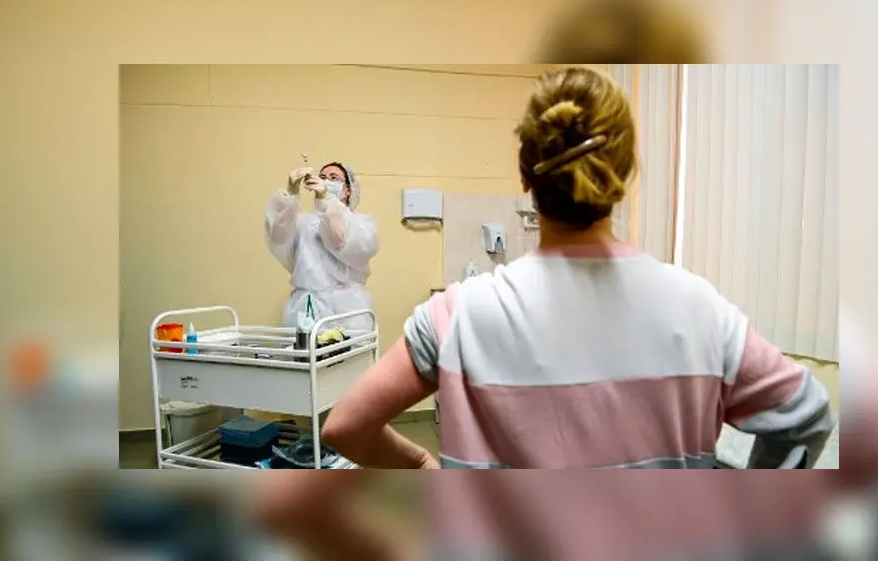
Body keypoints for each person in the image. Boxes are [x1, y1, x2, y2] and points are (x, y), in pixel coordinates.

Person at [317, 66, 836, 470]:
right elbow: (807, 416)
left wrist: (421, 461)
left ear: (525, 177)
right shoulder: (703, 312)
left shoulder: (455, 318)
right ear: (626, 173)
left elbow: (347, 426)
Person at [264, 161, 378, 333]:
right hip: (305, 308)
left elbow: (340, 241)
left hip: (347, 312)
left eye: (334, 178)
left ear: (348, 190)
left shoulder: (360, 224)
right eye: (323, 177)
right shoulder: (303, 223)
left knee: (347, 359)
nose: (326, 181)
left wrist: (326, 200)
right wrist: (291, 193)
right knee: (304, 357)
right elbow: (278, 236)